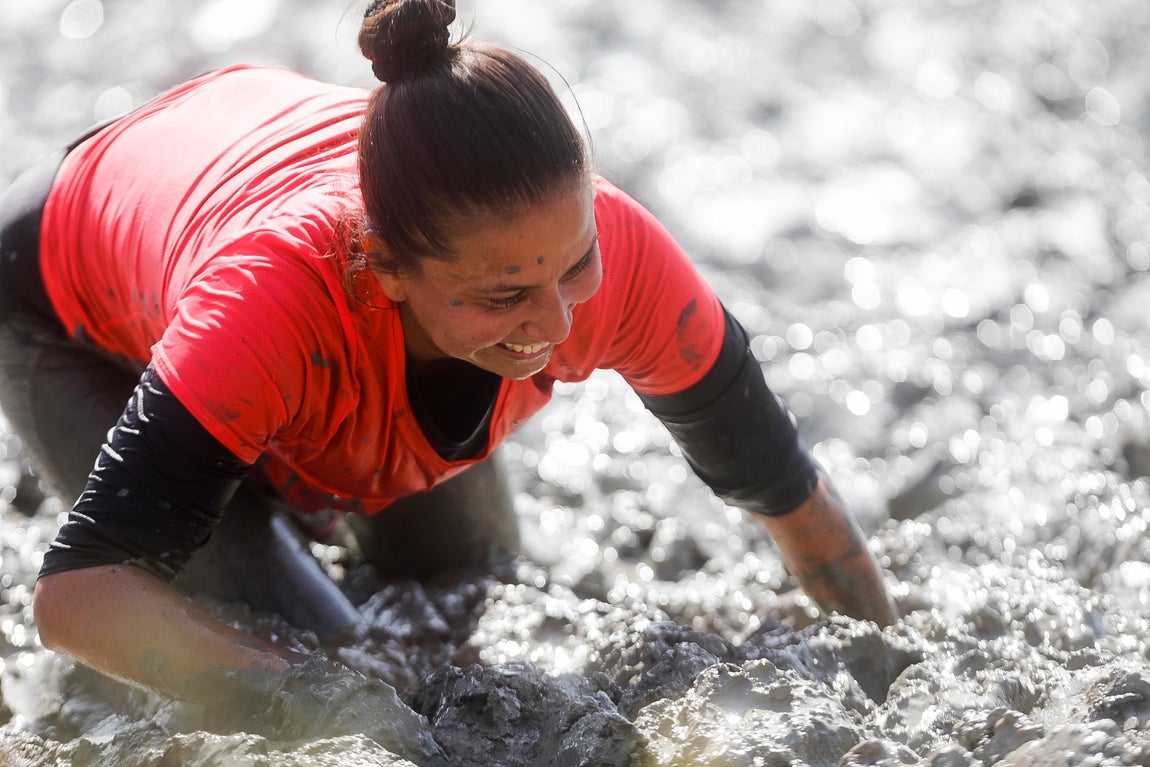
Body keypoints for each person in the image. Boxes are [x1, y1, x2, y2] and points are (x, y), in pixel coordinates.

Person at [0, 0, 895, 759]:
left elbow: (795, 502)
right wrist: (303, 692)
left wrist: (890, 692)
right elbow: (81, 597)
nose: (555, 328)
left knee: (477, 589)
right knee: (346, 682)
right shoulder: (274, 305)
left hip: (244, 185)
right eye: (505, 295)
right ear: (384, 270)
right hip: (58, 292)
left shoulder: (616, 262)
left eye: (572, 267)